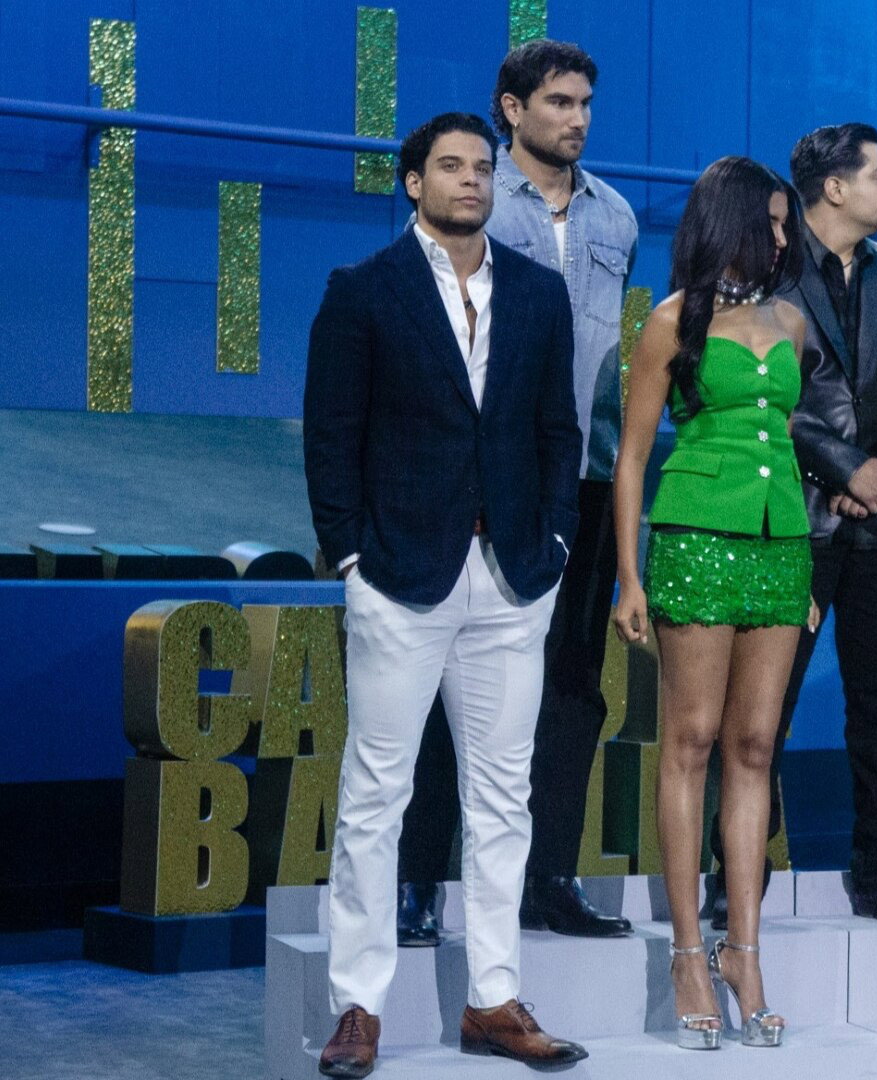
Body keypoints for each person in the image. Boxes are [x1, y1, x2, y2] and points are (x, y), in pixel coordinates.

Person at [304, 112, 588, 1077]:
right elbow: (331, 437)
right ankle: (357, 1008)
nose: (471, 180)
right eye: (451, 166)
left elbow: (559, 431)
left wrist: (554, 542)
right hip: (399, 577)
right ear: (414, 183)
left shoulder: (540, 294)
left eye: (482, 168)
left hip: (512, 575)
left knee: (504, 798)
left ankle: (493, 1000)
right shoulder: (362, 291)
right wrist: (350, 558)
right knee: (375, 796)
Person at [397, 38, 639, 948]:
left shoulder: (616, 214)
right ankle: (421, 880)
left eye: (585, 104)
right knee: (444, 679)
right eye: (559, 102)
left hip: (585, 476)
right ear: (512, 109)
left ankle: (551, 879)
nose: (577, 119)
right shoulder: (475, 196)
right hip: (481, 473)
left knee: (573, 684)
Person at [704, 122, 877, 929]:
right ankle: (737, 874)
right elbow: (759, 392)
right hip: (789, 518)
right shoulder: (769, 268)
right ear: (835, 187)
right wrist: (845, 469)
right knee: (759, 710)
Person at [610, 156, 811, 1050]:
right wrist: (630, 575)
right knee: (690, 740)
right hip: (695, 538)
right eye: (768, 222)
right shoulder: (671, 321)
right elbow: (632, 455)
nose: (781, 238)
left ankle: (745, 953)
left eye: (784, 223)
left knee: (757, 746)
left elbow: (786, 442)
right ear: (726, 222)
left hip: (782, 549)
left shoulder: (792, 322)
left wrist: (804, 560)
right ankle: (688, 952)